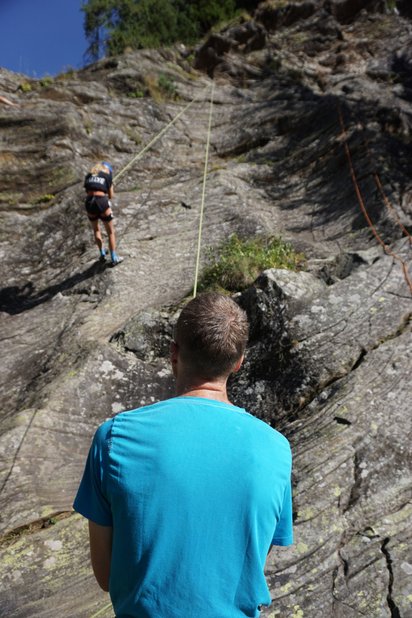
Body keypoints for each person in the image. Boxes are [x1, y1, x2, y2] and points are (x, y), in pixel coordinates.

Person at [74, 293, 293, 617]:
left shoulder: (113, 437)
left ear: (173, 353)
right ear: (239, 362)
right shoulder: (276, 449)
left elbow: (106, 575)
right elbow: (253, 561)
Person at [84, 161, 123, 266]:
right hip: (101, 201)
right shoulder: (106, 176)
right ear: (107, 170)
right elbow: (110, 196)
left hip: (89, 202)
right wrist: (110, 185)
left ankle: (102, 253)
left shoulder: (88, 176)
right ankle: (114, 257)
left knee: (96, 229)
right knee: (110, 232)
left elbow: (88, 191)